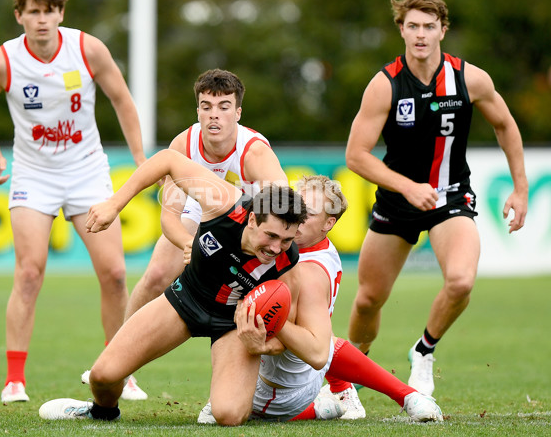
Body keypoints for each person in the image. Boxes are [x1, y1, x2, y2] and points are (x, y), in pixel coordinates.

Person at [0, 0, 146, 404]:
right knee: (29, 272)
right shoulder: (3, 61)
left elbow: (122, 98)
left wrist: (141, 159)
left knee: (116, 274)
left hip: (87, 171)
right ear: (19, 17)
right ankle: (14, 380)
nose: (42, 20)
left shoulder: (87, 49)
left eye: (49, 11)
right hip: (33, 174)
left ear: (60, 13)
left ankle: (120, 371)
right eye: (33, 11)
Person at [345, 0, 528, 396]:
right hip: (397, 200)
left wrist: (520, 188)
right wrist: (408, 187)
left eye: (430, 26)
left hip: (450, 197)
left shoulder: (470, 78)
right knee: (368, 300)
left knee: (461, 281)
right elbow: (356, 156)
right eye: (413, 26)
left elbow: (505, 125)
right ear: (402, 30)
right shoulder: (385, 85)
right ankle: (346, 378)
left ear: (443, 30)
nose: (421, 34)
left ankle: (423, 351)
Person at [38, 148, 307, 426]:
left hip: (233, 325)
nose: (276, 248)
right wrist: (114, 204)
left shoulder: (288, 265)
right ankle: (102, 411)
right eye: (271, 236)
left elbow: (284, 334)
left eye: (286, 240)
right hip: (185, 299)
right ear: (252, 219)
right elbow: (167, 159)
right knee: (103, 376)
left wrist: (261, 345)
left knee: (229, 414)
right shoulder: (225, 202)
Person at [197, 175, 442, 423]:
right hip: (304, 373)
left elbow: (314, 350)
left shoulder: (308, 272)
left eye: (309, 214)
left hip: (279, 387)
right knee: (317, 333)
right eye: (298, 209)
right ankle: (348, 395)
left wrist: (256, 313)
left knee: (254, 314)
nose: (298, 219)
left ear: (328, 223)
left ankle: (327, 403)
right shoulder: (307, 246)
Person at [124, 68, 287, 319]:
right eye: (207, 106)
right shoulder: (183, 145)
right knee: (156, 275)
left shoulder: (255, 154)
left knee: (279, 290)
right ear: (198, 111)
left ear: (238, 113)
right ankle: (116, 353)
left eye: (224, 107)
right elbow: (170, 218)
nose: (214, 116)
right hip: (200, 212)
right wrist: (190, 245)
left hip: (248, 221)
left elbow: (281, 211)